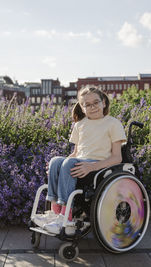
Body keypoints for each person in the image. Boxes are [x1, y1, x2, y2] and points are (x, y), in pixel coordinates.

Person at [33, 86, 127, 235]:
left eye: (96, 102)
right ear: (82, 108)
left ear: (103, 102)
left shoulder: (113, 123)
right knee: (56, 161)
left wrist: (91, 167)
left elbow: (117, 157)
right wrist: (55, 168)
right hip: (79, 164)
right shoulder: (79, 125)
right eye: (87, 105)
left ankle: (66, 217)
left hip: (99, 169)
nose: (93, 107)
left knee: (68, 163)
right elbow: (76, 153)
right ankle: (54, 212)